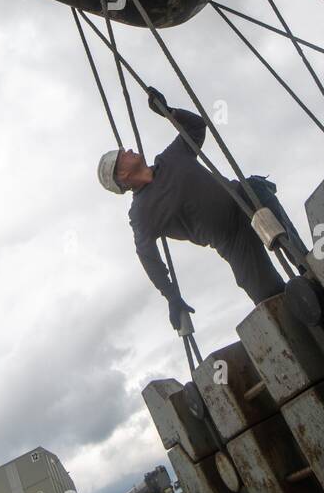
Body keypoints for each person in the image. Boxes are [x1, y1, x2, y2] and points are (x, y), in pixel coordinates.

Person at [97, 89, 287, 330]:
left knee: (263, 200)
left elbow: (197, 127)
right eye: (123, 155)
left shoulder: (169, 158)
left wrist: (171, 113)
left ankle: (302, 263)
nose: (129, 150)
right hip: (231, 239)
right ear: (122, 174)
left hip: (244, 200)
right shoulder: (141, 213)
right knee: (270, 297)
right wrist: (172, 297)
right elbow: (148, 256)